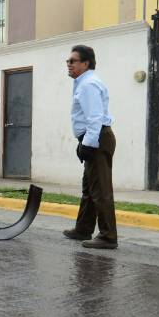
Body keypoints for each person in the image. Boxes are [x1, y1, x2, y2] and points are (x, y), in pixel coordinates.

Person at [63, 44, 117, 249]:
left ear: (86, 63)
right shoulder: (83, 82)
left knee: (100, 190)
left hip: (96, 139)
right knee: (89, 188)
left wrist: (87, 145)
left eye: (72, 61)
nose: (68, 65)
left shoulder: (88, 84)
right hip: (93, 138)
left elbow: (94, 118)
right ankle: (83, 229)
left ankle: (108, 236)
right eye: (67, 61)